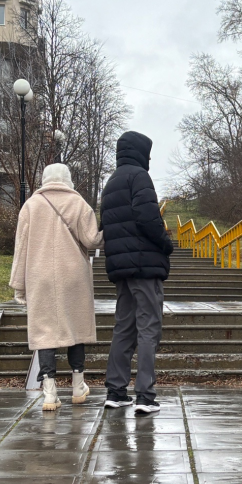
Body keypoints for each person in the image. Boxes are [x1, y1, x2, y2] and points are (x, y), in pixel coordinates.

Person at [9, 163, 104, 411]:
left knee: (44, 332)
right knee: (76, 327)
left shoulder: (30, 206)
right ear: (67, 179)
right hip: (73, 275)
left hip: (39, 275)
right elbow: (92, 240)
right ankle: (77, 385)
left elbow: (21, 249)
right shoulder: (79, 203)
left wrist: (19, 285)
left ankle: (49, 392)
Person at [99, 131, 173, 414]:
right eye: (149, 154)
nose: (150, 159)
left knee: (123, 328)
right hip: (144, 266)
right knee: (148, 328)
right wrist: (166, 244)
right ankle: (145, 395)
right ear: (141, 153)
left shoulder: (111, 182)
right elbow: (147, 217)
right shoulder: (139, 177)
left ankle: (116, 392)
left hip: (122, 268)